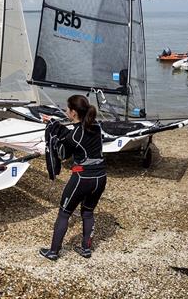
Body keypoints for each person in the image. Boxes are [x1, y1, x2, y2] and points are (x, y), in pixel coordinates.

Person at [39, 94, 107, 261]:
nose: (65, 111)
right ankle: (85, 249)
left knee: (64, 213)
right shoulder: (96, 126)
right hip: (101, 177)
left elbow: (63, 153)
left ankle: (53, 251)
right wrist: (54, 123)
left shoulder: (74, 136)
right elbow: (75, 134)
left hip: (83, 178)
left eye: (67, 109)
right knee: (88, 212)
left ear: (74, 112)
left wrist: (53, 132)